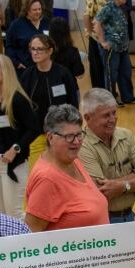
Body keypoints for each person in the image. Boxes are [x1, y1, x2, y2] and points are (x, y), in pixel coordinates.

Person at [25, 105, 109, 231]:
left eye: (79, 135)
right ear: (50, 138)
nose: (76, 142)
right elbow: (32, 233)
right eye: (69, 136)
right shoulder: (46, 180)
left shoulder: (72, 159)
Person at [0, 54, 41, 219]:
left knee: (14, 213)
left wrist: (15, 148)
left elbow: (34, 129)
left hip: (12, 163)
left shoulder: (18, 99)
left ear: (5, 71)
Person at [79, 88, 135, 223]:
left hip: (129, 216)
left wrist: (123, 186)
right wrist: (134, 175)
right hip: (102, 221)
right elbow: (101, 192)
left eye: (114, 113)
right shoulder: (81, 146)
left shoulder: (126, 135)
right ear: (87, 118)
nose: (112, 119)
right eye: (106, 115)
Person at [20, 34, 79, 170]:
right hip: (36, 134)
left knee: (62, 172)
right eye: (32, 49)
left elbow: (73, 104)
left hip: (61, 134)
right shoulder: (27, 75)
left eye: (39, 49)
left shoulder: (63, 74)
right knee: (37, 173)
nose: (35, 52)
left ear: (50, 51)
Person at [95, 0, 135, 106]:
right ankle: (110, 100)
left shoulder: (119, 8)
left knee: (126, 72)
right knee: (111, 75)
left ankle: (128, 97)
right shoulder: (108, 8)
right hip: (112, 48)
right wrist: (103, 42)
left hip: (122, 48)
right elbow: (97, 23)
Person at [83, 0, 116, 89]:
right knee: (97, 66)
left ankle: (109, 89)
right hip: (97, 38)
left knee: (108, 65)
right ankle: (98, 90)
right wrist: (92, 33)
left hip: (110, 38)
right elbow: (87, 16)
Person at [6, 0, 49, 76]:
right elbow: (9, 46)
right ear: (27, 11)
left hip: (44, 67)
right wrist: (16, 63)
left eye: (39, 9)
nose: (38, 12)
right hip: (24, 69)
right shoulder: (17, 25)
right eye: (34, 10)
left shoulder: (46, 22)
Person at [49, 17, 85, 83]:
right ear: (67, 32)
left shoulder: (47, 51)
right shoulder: (73, 51)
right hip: (70, 86)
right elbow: (79, 75)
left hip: (51, 86)